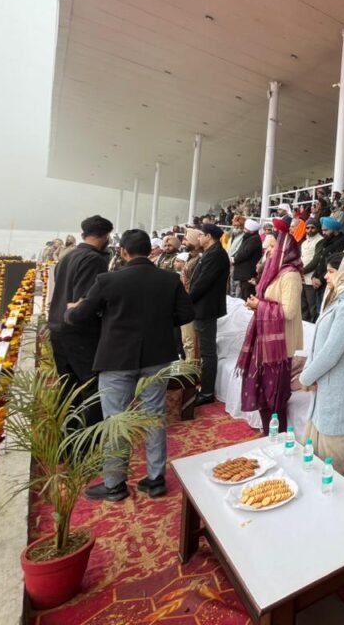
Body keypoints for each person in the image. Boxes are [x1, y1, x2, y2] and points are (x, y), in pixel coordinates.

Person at [67, 229, 194, 501]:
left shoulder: (108, 280)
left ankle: (114, 483)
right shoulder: (169, 279)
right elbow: (186, 313)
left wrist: (74, 310)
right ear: (149, 250)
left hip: (116, 359)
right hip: (157, 357)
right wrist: (158, 325)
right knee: (154, 417)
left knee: (116, 420)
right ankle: (155, 479)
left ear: (123, 252)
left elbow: (80, 317)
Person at [297, 250, 344, 487]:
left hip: (340, 391)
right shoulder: (338, 299)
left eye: (331, 271)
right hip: (326, 388)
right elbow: (320, 344)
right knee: (318, 462)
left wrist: (306, 376)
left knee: (339, 467)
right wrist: (309, 372)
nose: (326, 277)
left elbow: (331, 352)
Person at [47, 214, 114, 429]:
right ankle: (89, 442)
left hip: (58, 327)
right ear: (106, 236)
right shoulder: (94, 260)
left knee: (68, 387)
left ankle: (69, 439)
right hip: (80, 331)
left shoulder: (67, 256)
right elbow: (86, 301)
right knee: (90, 387)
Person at [237, 230, 303, 434]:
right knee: (265, 393)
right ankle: (269, 435)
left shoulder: (290, 275)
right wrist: (257, 305)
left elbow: (289, 311)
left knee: (275, 397)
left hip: (280, 346)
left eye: (273, 246)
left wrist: (261, 306)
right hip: (267, 340)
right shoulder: (274, 271)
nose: (268, 249)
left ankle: (277, 439)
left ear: (285, 249)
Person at [189, 223, 230, 406]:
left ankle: (207, 392)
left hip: (206, 308)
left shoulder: (217, 255)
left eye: (201, 235)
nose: (198, 239)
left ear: (208, 236)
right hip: (201, 307)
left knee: (207, 352)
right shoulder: (210, 253)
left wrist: (187, 299)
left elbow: (202, 283)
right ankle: (203, 387)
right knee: (204, 350)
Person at [232, 218, 263, 301]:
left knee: (247, 296)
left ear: (251, 230)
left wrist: (234, 259)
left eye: (246, 229)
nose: (244, 230)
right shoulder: (250, 238)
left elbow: (244, 253)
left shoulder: (254, 239)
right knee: (243, 294)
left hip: (248, 274)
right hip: (245, 274)